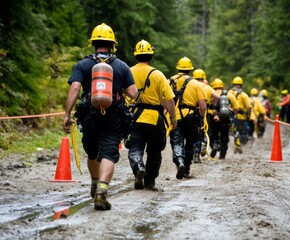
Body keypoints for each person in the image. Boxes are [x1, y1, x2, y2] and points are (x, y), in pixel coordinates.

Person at [63, 23, 137, 211]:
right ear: (112, 44)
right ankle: (102, 192)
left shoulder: (83, 64)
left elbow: (75, 88)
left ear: (93, 43)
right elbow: (133, 93)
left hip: (89, 114)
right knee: (109, 153)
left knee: (92, 152)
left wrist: (67, 114)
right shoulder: (121, 65)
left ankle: (95, 183)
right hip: (113, 115)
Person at [127, 40, 177, 191]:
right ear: (151, 56)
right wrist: (173, 119)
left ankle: (138, 167)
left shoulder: (128, 72)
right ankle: (149, 181)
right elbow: (169, 100)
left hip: (134, 116)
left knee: (135, 147)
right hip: (155, 118)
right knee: (154, 151)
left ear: (135, 56)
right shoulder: (158, 74)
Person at [169, 57, 206, 178]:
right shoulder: (196, 83)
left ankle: (179, 161)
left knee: (176, 141)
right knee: (190, 143)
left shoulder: (170, 81)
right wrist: (202, 117)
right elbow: (202, 105)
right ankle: (186, 169)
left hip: (175, 116)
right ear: (190, 70)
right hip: (191, 116)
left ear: (178, 68)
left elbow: (165, 100)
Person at [192, 69, 219, 163]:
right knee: (205, 131)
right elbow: (217, 97)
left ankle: (194, 153)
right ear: (203, 77)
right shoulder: (207, 87)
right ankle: (207, 145)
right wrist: (212, 103)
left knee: (193, 133)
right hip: (204, 112)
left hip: (191, 111)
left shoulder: (191, 85)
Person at [209, 78, 239, 159]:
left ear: (213, 86)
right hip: (226, 119)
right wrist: (231, 115)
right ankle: (222, 155)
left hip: (213, 119)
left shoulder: (211, 93)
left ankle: (214, 145)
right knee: (224, 136)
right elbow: (236, 107)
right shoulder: (229, 95)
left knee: (213, 134)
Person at [228, 76, 251, 153]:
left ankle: (237, 144)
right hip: (241, 116)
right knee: (242, 132)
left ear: (233, 84)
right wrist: (248, 115)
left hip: (231, 115)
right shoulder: (244, 95)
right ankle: (240, 144)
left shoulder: (229, 93)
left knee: (235, 130)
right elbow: (249, 107)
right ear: (241, 85)